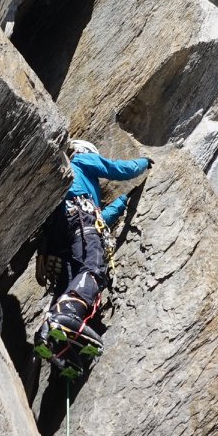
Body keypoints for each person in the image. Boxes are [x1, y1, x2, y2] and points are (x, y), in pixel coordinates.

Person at [44, 139, 151, 348]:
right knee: (93, 268)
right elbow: (116, 169)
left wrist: (123, 201)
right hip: (82, 220)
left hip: (67, 235)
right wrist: (143, 163)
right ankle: (67, 313)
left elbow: (101, 219)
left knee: (71, 282)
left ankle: (58, 344)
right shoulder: (82, 160)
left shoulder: (65, 186)